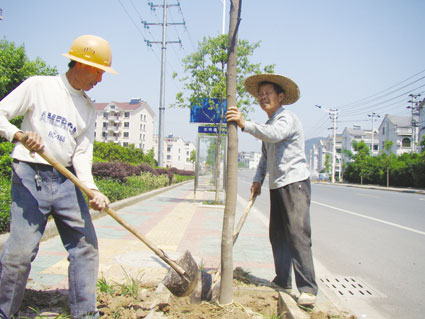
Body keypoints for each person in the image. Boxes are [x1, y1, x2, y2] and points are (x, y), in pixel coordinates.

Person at [0, 34, 117, 318]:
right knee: (20, 253)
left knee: (85, 246)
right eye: (99, 71)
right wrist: (18, 134)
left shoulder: (88, 108)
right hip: (30, 176)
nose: (100, 79)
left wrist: (91, 190)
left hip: (66, 181)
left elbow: (82, 154)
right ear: (81, 63)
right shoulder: (39, 86)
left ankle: (85, 313)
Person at [225, 73, 318, 306]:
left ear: (281, 97)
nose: (263, 97)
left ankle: (307, 288)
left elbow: (275, 136)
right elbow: (266, 157)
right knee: (277, 235)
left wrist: (245, 124)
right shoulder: (269, 123)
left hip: (294, 184)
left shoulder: (286, 119)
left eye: (268, 94)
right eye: (261, 94)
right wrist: (257, 180)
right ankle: (282, 280)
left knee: (297, 235)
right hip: (277, 186)